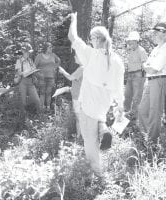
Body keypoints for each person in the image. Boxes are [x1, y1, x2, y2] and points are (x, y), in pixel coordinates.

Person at [68, 13, 124, 176]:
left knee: (89, 140)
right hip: (104, 103)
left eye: (92, 39)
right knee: (99, 119)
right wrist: (120, 106)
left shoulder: (91, 55)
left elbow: (73, 36)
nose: (90, 41)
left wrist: (74, 20)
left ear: (97, 39)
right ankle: (103, 130)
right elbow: (119, 87)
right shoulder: (117, 60)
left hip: (89, 104)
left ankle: (97, 172)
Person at [138, 22, 166, 144]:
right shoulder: (156, 48)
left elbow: (152, 69)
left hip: (159, 81)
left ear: (164, 34)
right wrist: (146, 66)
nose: (154, 35)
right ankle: (145, 135)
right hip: (151, 81)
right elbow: (148, 66)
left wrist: (145, 66)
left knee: (154, 112)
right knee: (142, 109)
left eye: (156, 33)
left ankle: (152, 142)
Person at [124, 31, 148, 121]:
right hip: (130, 75)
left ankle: (134, 117)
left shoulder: (141, 50)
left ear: (136, 41)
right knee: (127, 95)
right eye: (129, 41)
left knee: (137, 97)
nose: (130, 43)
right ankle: (125, 113)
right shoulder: (130, 50)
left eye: (132, 41)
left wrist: (145, 74)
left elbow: (145, 63)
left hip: (138, 75)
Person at [58, 54, 83, 138]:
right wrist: (70, 89)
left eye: (77, 56)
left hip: (78, 98)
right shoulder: (84, 68)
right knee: (80, 118)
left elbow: (70, 77)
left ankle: (80, 137)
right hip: (79, 96)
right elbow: (80, 83)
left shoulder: (81, 68)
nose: (75, 57)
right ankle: (80, 136)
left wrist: (63, 71)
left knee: (79, 118)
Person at [14, 43, 41, 114]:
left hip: (30, 81)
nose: (29, 54)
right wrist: (24, 73)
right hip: (22, 81)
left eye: (29, 52)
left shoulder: (30, 60)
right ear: (23, 52)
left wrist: (33, 71)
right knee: (23, 101)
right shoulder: (19, 61)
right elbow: (18, 72)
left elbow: (34, 68)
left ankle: (40, 115)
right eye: (27, 52)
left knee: (37, 99)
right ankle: (23, 117)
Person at [35, 42, 61, 111]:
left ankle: (48, 108)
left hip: (51, 77)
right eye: (50, 47)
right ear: (46, 48)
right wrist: (38, 74)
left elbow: (59, 61)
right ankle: (41, 108)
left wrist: (55, 67)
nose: (51, 48)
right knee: (42, 93)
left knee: (49, 93)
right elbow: (34, 67)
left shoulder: (53, 55)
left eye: (51, 47)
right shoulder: (39, 56)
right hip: (42, 77)